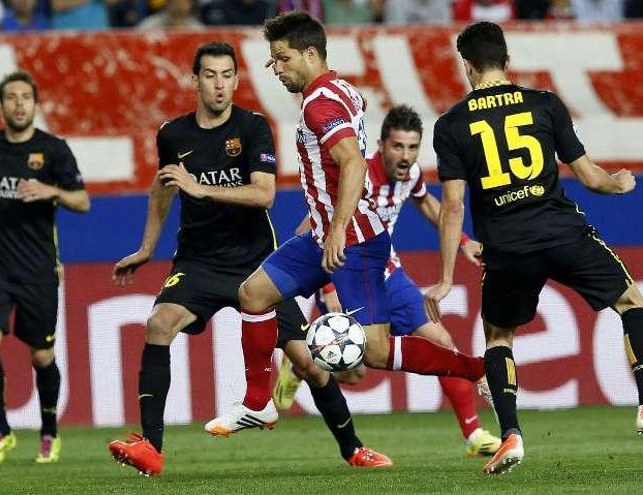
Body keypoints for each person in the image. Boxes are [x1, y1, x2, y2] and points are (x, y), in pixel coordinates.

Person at [107, 41, 393, 476]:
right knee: (158, 323)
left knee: (309, 364)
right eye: (209, 75)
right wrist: (147, 247)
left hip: (256, 264)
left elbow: (264, 194)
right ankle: (150, 446)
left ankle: (353, 448)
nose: (219, 85)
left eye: (227, 75)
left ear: (237, 80)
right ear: (195, 80)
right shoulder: (173, 134)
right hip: (198, 262)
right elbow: (163, 186)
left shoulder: (254, 127)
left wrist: (202, 189)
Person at [206, 10, 489, 440]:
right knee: (253, 294)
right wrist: (329, 228)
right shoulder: (342, 89)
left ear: (310, 53)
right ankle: (258, 404)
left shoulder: (320, 105)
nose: (275, 69)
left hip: (353, 241)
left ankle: (478, 368)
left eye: (281, 59)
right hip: (323, 236)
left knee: (374, 353)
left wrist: (338, 227)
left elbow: (353, 162)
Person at [425, 21, 643, 475]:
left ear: (467, 66)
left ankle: (511, 435)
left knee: (499, 337)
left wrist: (447, 277)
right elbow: (588, 176)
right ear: (507, 61)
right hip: (561, 232)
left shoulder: (451, 124)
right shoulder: (544, 104)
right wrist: (617, 183)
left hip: (507, 247)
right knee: (630, 300)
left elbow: (451, 206)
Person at [274, 105, 501, 457]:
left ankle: (473, 435)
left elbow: (429, 207)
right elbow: (311, 229)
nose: (406, 156)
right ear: (380, 145)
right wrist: (327, 286)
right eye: (398, 147)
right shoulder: (359, 178)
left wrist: (464, 240)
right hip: (346, 272)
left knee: (441, 340)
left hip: (388, 274)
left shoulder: (409, 176)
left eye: (412, 147)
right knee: (354, 373)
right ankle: (303, 361)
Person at [0, 70, 90, 465]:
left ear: (35, 103)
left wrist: (51, 191)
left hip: (38, 268)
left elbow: (82, 201)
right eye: (11, 97)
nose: (19, 103)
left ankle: (49, 433)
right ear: (1, 105)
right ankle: (1, 430)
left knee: (41, 355)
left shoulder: (54, 150)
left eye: (26, 96)